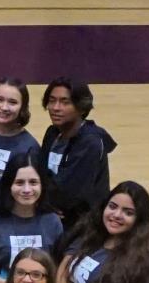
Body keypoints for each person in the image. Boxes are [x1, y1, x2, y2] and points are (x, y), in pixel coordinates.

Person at [40, 78, 116, 227]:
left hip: (84, 228)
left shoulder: (90, 143)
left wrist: (42, 201)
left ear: (81, 107)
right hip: (56, 220)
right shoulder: (52, 133)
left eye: (65, 102)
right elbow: (40, 172)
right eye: (52, 100)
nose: (56, 107)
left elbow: (69, 194)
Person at [0, 154, 65, 275]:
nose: (26, 190)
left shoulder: (52, 222)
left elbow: (59, 267)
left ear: (42, 185)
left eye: (33, 182)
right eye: (19, 183)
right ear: (9, 185)